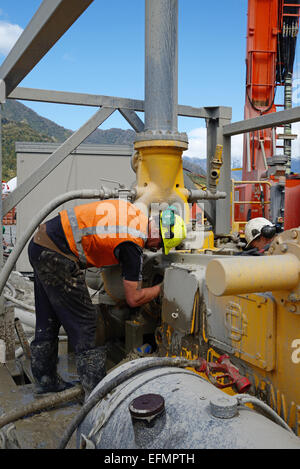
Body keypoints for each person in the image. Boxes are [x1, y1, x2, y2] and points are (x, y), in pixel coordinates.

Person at [28, 198, 186, 397]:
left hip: (40, 244)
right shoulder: (132, 243)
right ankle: (96, 392)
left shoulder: (132, 214)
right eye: (159, 245)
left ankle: (46, 382)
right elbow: (134, 298)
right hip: (57, 255)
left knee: (47, 319)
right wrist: (162, 289)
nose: (154, 249)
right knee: (86, 322)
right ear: (159, 234)